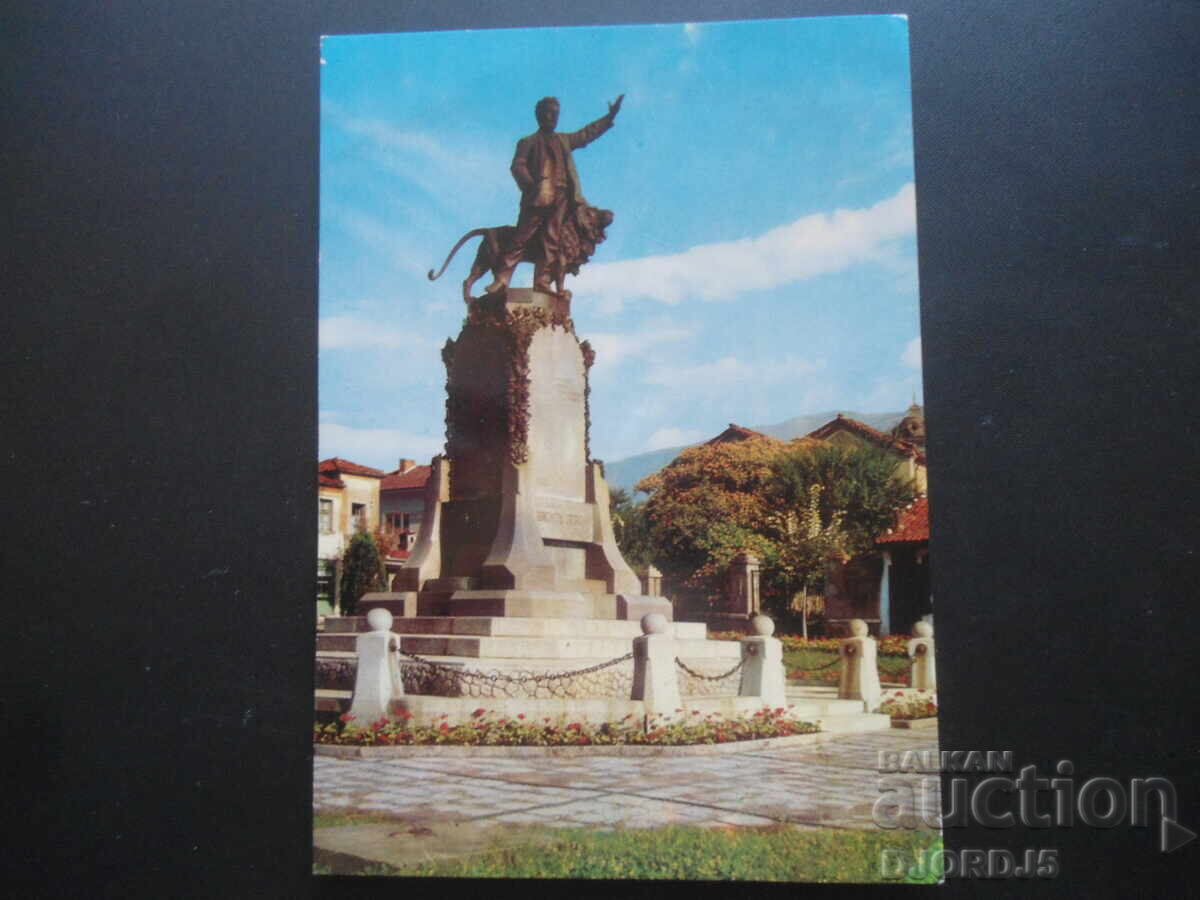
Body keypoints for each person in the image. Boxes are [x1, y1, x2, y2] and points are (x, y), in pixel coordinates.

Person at [485, 94, 623, 295]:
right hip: (538, 197)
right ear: (538, 116)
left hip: (563, 199)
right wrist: (531, 186)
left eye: (555, 114)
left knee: (551, 240)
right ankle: (502, 279)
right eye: (547, 113)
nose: (551, 117)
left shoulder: (564, 140)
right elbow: (517, 165)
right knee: (521, 238)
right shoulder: (528, 142)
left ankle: (542, 281)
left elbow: (587, 134)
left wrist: (609, 117)